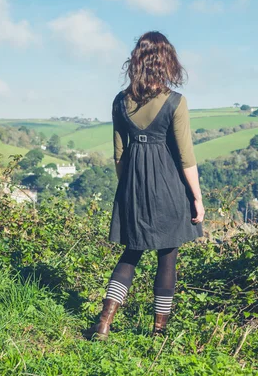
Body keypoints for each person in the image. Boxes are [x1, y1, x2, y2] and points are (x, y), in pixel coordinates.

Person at [89, 31, 205, 340]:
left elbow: (118, 154)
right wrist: (197, 198)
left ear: (137, 61)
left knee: (131, 254)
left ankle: (104, 323)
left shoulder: (120, 102)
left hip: (132, 188)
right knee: (167, 257)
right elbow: (186, 156)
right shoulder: (176, 102)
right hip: (169, 189)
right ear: (166, 61)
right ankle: (158, 331)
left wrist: (130, 189)